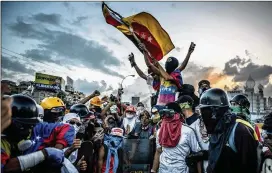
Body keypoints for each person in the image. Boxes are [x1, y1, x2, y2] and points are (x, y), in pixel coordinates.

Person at [1, 94, 73, 173]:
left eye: (32, 125)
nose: (29, 130)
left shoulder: (36, 128)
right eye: (26, 126)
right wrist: (43, 154)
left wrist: (57, 149)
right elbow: (5, 168)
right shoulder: (2, 143)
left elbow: (68, 128)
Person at [199, 88, 259, 173]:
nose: (203, 117)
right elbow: (220, 155)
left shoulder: (240, 131)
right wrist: (203, 155)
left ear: (214, 112)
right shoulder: (217, 129)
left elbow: (250, 167)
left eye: (204, 112)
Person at [141, 42, 196, 109]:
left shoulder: (176, 75)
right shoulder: (161, 74)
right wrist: (144, 51)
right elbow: (149, 65)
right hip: (159, 107)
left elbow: (168, 77)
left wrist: (189, 53)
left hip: (172, 107)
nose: (167, 66)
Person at [151, 102, 201, 173]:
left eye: (170, 114)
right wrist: (153, 170)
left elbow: (197, 154)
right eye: (165, 114)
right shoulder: (160, 131)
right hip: (163, 170)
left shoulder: (188, 131)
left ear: (178, 115)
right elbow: (158, 151)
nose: (167, 117)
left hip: (181, 170)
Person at [176, 95, 209, 173]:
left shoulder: (200, 122)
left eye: (179, 104)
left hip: (204, 164)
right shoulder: (183, 123)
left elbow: (205, 146)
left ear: (185, 105)